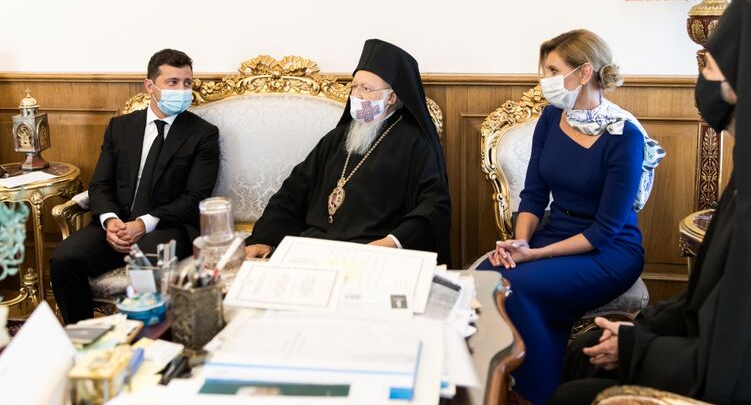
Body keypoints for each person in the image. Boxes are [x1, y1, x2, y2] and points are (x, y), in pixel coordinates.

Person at [551, 0, 751, 403]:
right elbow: (701, 301)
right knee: (583, 350)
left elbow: (730, 363)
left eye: (710, 67)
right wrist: (639, 328)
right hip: (696, 351)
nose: (701, 79)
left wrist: (633, 347)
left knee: (571, 395)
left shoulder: (622, 132)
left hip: (713, 376)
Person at [475, 29, 665, 404]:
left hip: (610, 250)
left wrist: (535, 254)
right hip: (555, 231)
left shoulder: (624, 134)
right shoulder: (551, 118)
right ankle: (526, 385)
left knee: (515, 288)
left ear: (583, 72)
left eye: (552, 70)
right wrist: (521, 241)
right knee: (484, 276)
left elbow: (605, 231)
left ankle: (537, 395)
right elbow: (533, 195)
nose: (544, 79)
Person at [244, 39, 451, 264]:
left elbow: (433, 207)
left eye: (367, 89)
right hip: (312, 250)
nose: (357, 96)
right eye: (354, 86)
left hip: (370, 254)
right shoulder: (336, 139)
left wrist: (389, 244)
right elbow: (292, 193)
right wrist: (265, 239)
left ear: (391, 97)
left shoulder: (416, 144)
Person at [51, 49, 220, 324]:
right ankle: (82, 335)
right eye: (173, 82)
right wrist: (110, 221)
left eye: (187, 83)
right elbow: (100, 183)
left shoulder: (203, 134)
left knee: (146, 261)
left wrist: (143, 224)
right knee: (64, 258)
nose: (182, 90)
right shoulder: (119, 127)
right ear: (150, 86)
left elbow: (195, 197)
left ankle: (146, 338)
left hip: (168, 226)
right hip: (117, 223)